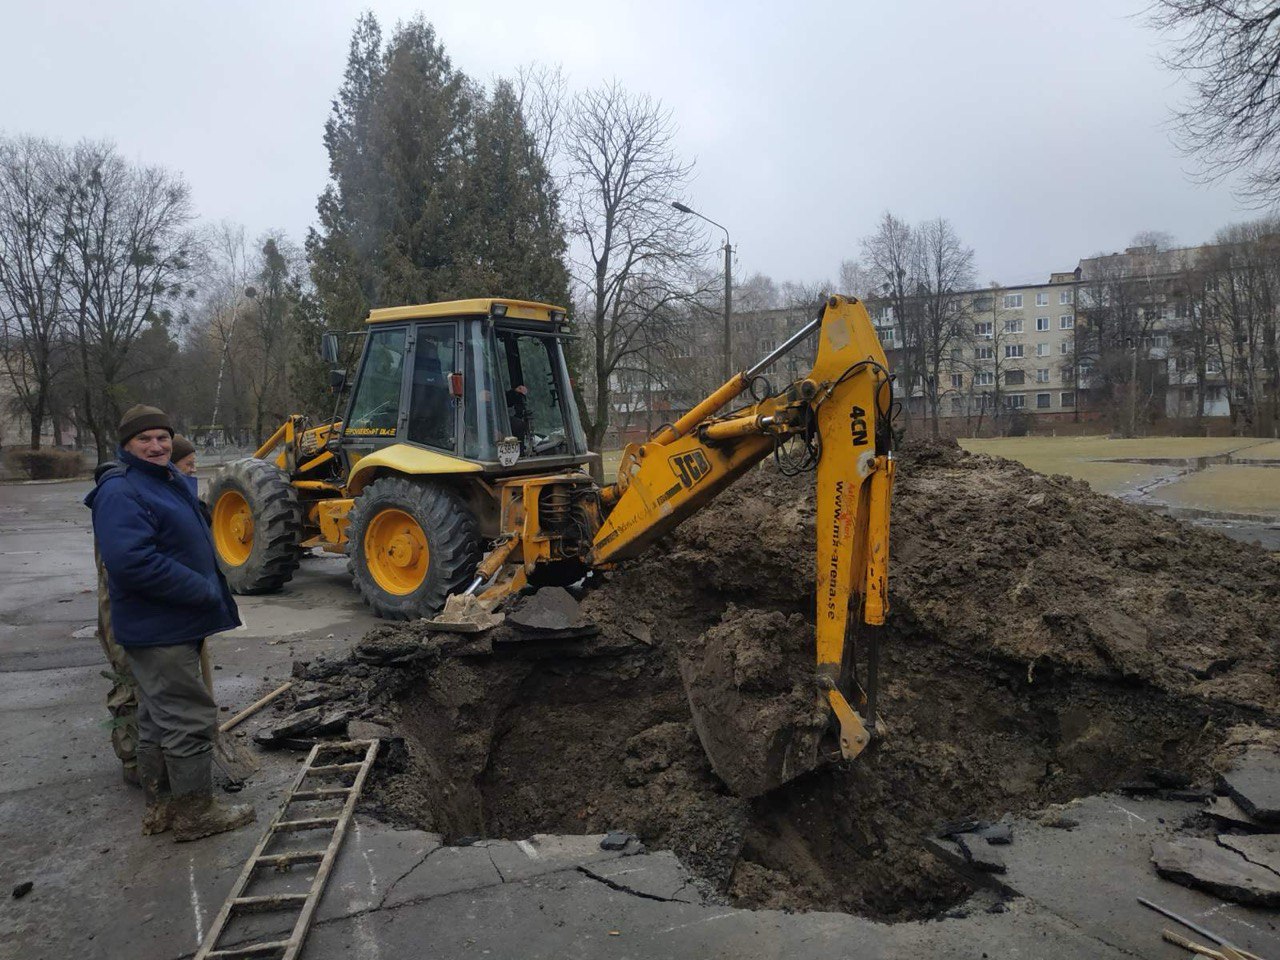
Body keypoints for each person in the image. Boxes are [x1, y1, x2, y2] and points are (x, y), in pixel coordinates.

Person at [85, 405, 255, 842]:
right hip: (160, 626)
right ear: (126, 445)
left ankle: (161, 806)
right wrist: (199, 589)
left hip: (168, 622)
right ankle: (196, 813)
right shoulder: (122, 491)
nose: (157, 446)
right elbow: (132, 563)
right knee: (187, 716)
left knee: (158, 718)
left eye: (163, 437)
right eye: (145, 439)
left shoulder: (160, 481)